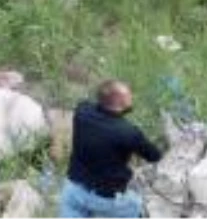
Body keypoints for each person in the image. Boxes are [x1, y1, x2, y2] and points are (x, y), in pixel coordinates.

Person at [60, 80, 164, 219]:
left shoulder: (82, 111)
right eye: (128, 95)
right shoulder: (128, 132)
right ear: (119, 101)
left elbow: (90, 104)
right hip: (105, 198)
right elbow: (154, 156)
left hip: (73, 189)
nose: (131, 96)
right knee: (138, 208)